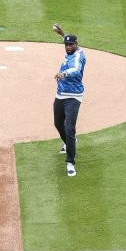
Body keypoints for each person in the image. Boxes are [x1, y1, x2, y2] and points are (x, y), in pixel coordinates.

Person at [51, 23, 86, 178]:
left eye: (70, 44)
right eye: (66, 44)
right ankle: (69, 142)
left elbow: (76, 69)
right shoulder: (70, 50)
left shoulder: (79, 56)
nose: (67, 47)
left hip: (73, 97)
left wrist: (63, 74)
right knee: (58, 123)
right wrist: (62, 33)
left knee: (69, 127)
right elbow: (67, 40)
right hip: (60, 94)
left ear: (76, 45)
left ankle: (70, 162)